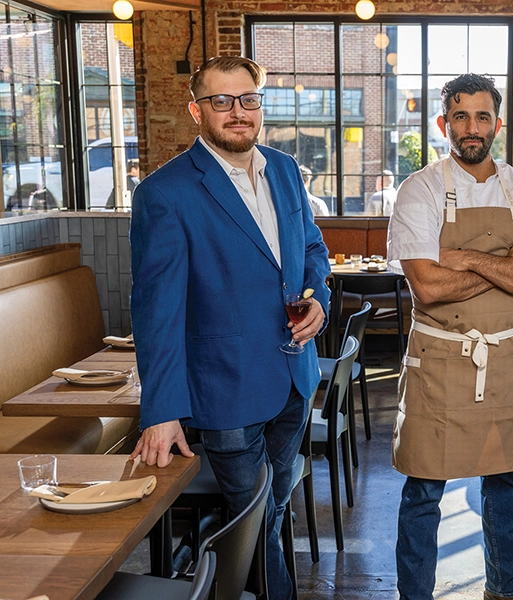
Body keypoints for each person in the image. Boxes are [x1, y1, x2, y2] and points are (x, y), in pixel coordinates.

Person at [129, 56, 331, 600]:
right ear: (197, 111)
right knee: (252, 515)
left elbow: (312, 249)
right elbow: (156, 310)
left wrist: (319, 299)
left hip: (295, 377)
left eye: (248, 99)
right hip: (225, 387)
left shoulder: (284, 170)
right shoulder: (164, 193)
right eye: (221, 101)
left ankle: (225, 577)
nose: (238, 111)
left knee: (274, 507)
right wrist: (162, 410)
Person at [387, 73, 513, 600]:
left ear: (497, 125)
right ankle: (414, 595)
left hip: (507, 359)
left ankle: (508, 589)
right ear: (444, 125)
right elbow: (428, 286)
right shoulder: (418, 190)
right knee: (423, 488)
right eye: (460, 117)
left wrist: (464, 258)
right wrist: (509, 262)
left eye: (482, 117)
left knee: (506, 483)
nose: (472, 128)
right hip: (440, 361)